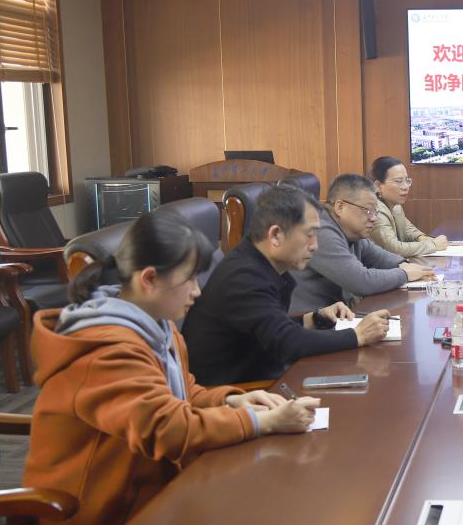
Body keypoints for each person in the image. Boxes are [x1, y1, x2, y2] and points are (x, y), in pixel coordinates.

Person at [23, 209, 321, 525]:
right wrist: (262, 422)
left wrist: (231, 399)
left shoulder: (158, 327)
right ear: (149, 279)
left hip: (150, 493)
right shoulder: (105, 350)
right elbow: (166, 427)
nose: (197, 291)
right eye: (189, 279)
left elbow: (185, 393)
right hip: (93, 524)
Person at [184, 183, 390, 386]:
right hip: (237, 393)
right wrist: (358, 335)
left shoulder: (258, 264)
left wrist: (315, 318)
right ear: (275, 235)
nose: (315, 246)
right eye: (309, 235)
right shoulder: (244, 278)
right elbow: (287, 343)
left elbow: (269, 327)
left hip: (261, 377)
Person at [289, 173, 435, 313]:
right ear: (340, 207)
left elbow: (378, 256)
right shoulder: (320, 231)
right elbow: (362, 281)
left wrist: (404, 264)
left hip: (341, 316)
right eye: (368, 210)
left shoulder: (351, 231)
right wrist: (405, 274)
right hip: (312, 322)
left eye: (375, 211)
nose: (373, 218)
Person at [368, 155, 448, 257]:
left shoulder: (395, 205)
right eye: (398, 181)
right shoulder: (374, 210)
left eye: (407, 181)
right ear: (378, 185)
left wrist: (422, 237)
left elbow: (407, 229)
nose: (405, 187)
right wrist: (433, 245)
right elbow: (394, 249)